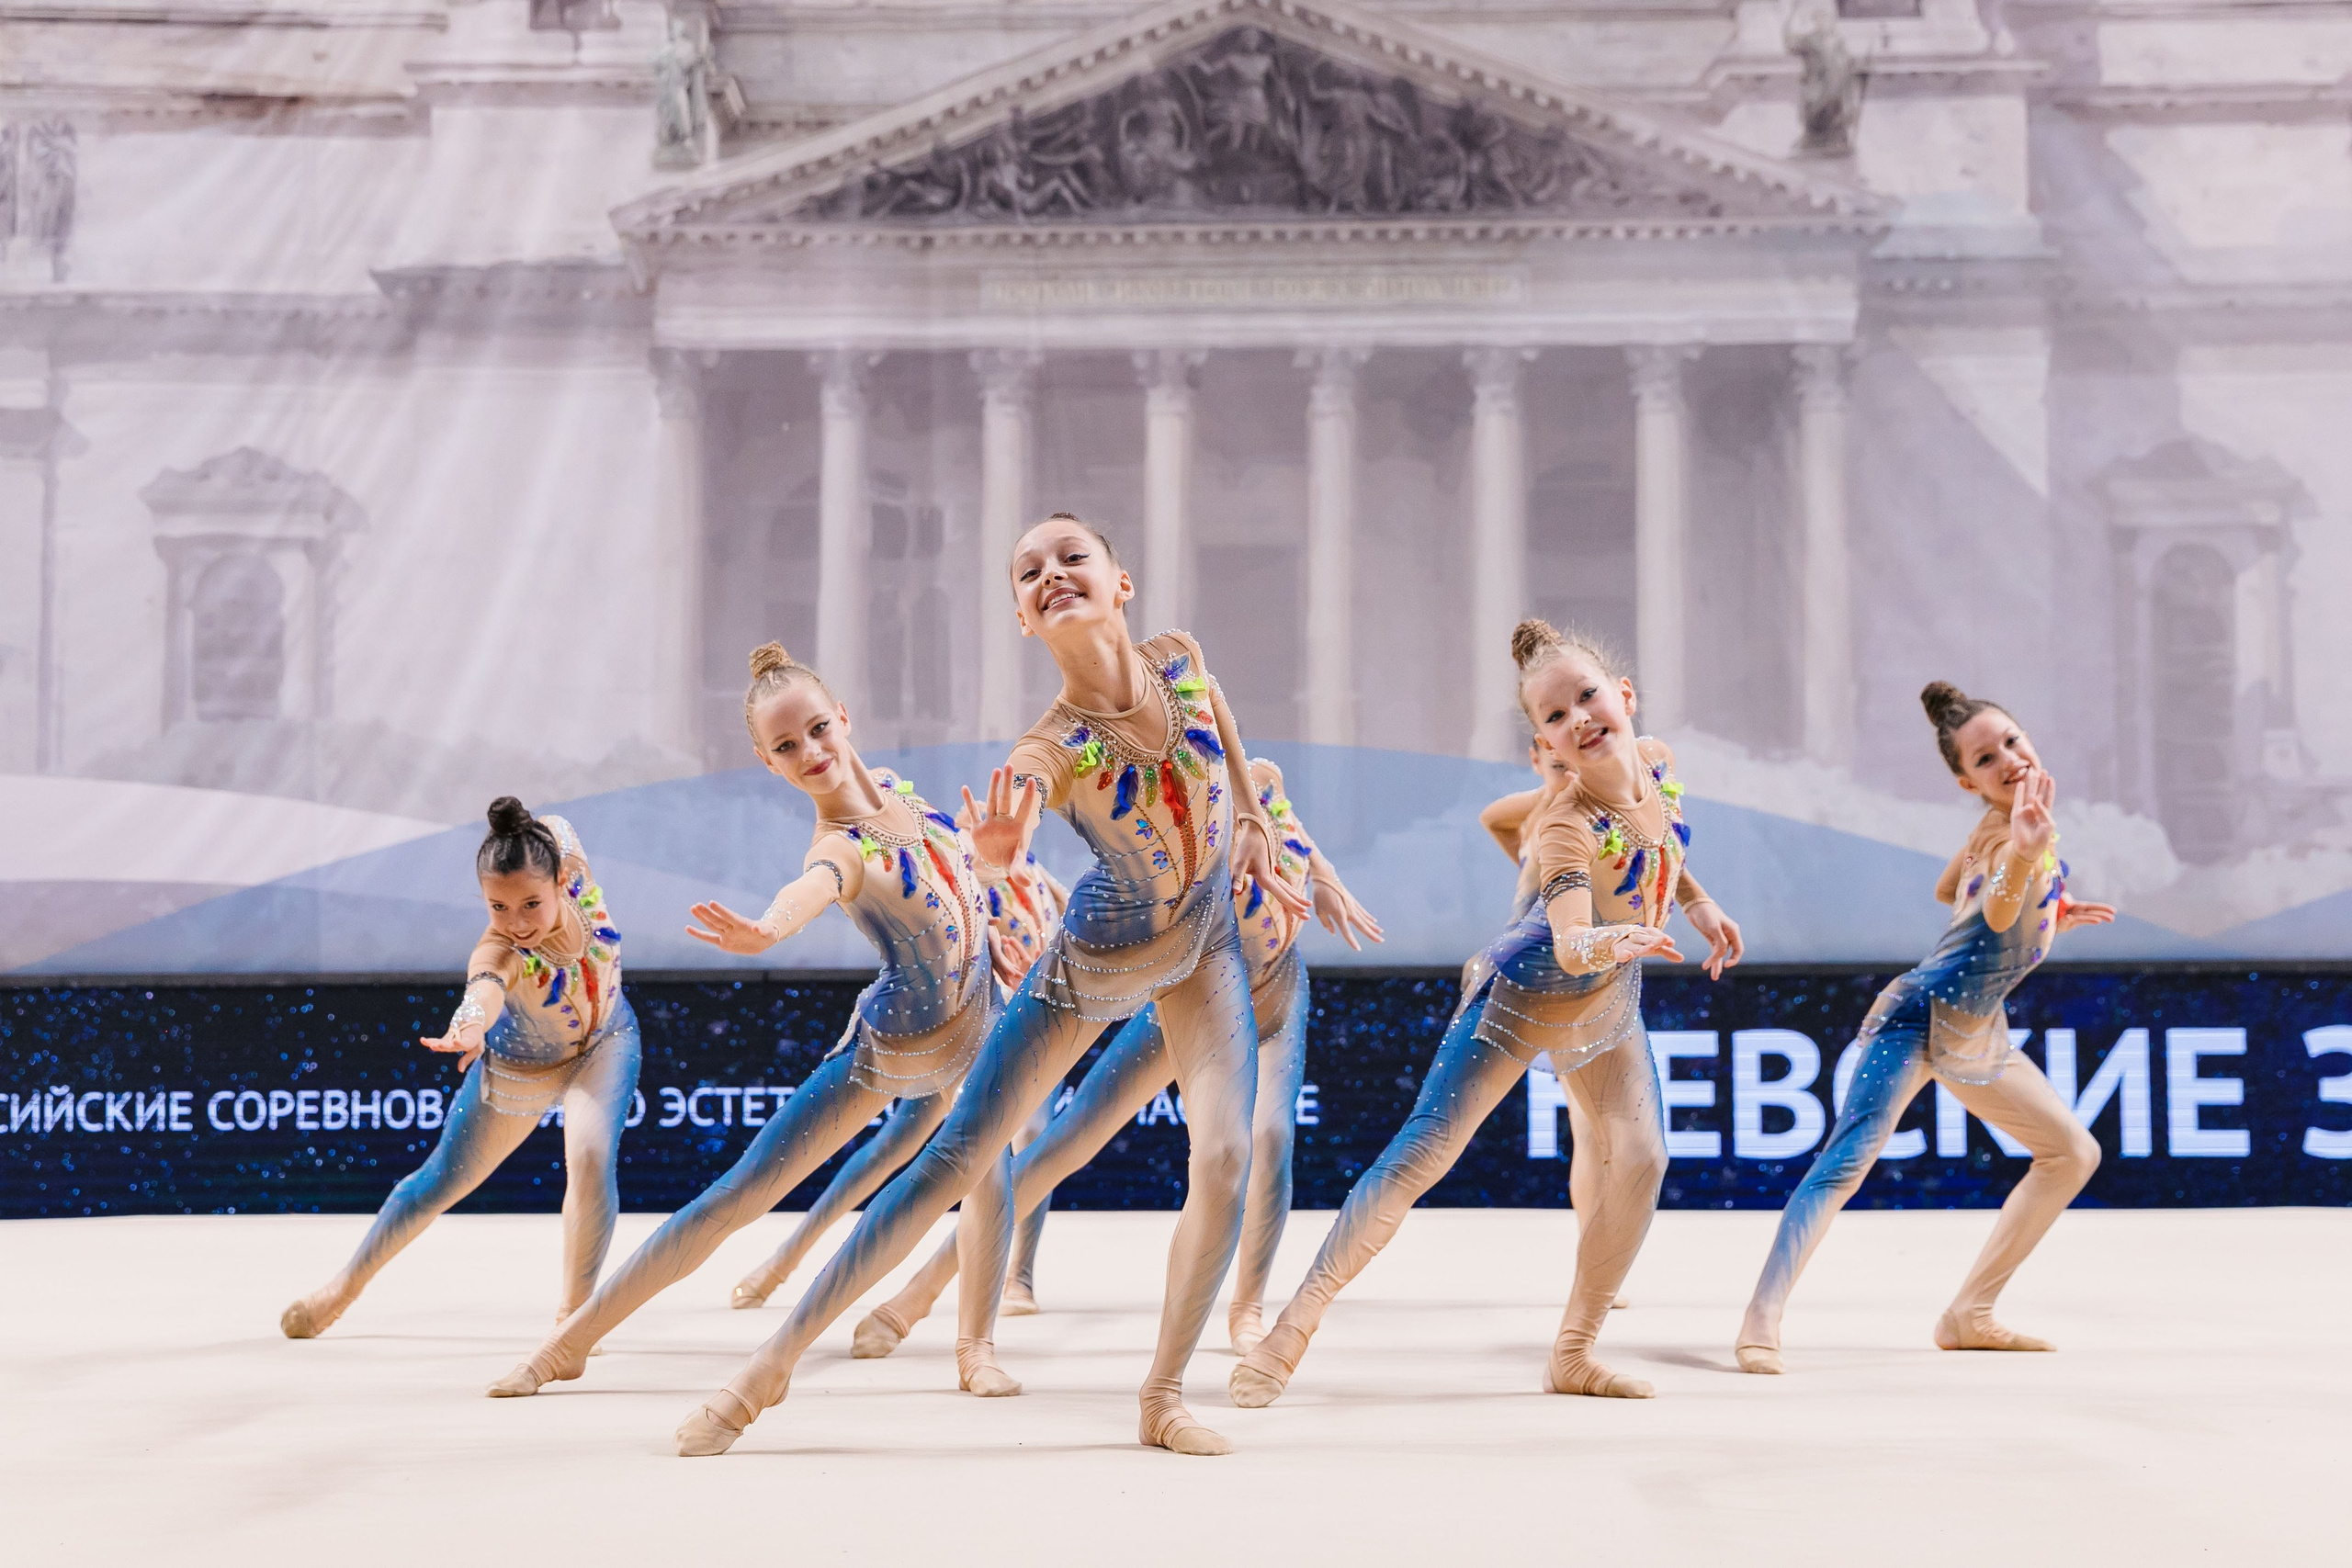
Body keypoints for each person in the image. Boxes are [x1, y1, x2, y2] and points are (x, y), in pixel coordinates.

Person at [673, 512, 1310, 1459]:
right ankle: (765, 1370)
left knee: (1224, 1159)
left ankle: (1162, 1396)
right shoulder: (1049, 745)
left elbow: (1215, 709)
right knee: (955, 1160)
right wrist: (1001, 851)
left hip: (1207, 946)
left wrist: (1252, 817)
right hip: (1091, 962)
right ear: (1023, 617)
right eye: (1028, 572)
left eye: (1071, 556)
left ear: (1120, 583)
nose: (1051, 573)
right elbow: (1025, 800)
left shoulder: (1179, 658)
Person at [484, 642, 1026, 1398]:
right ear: (767, 763)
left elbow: (949, 890)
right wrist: (768, 929)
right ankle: (566, 1343)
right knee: (739, 1196)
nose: (810, 751)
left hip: (978, 1022)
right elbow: (811, 890)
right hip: (895, 1044)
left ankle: (976, 1348)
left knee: (991, 1167)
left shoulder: (901, 793)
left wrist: (991, 873)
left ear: (843, 716)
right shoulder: (839, 847)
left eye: (816, 729)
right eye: (786, 746)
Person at [1227, 619, 1744, 1409]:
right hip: (1526, 994)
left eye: (1588, 697)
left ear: (1625, 695)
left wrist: (1698, 902)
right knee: (1420, 1156)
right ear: (1546, 745)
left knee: (1642, 1157)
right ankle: (1290, 1328)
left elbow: (1661, 838)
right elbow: (1572, 943)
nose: (1579, 718)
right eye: (1556, 717)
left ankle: (1575, 1351)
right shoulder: (1564, 823)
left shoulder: (1656, 765)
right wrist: (1621, 935)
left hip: (1608, 1000)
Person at [844, 754, 1382, 1362]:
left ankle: (1247, 1308)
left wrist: (1326, 877)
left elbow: (1282, 810)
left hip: (1275, 990)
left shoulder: (1252, 777)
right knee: (1066, 1141)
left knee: (1272, 1135)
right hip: (1194, 990)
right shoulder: (1168, 816)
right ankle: (916, 1294)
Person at [1733, 682, 2113, 1373]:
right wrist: (2023, 864)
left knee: (2071, 1153)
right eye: (1986, 758)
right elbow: (1997, 911)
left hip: (1973, 1031)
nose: (2008, 759)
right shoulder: (2012, 835)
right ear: (1968, 781)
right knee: (1845, 1164)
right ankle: (1761, 1317)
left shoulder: (2013, 828)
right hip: (1915, 1019)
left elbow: (1953, 892)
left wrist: (2051, 909)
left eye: (2012, 742)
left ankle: (1970, 1313)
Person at [279, 799, 638, 1340]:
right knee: (439, 1181)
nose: (516, 923)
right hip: (523, 1064)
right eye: (497, 907)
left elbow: (555, 827)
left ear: (562, 880)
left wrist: (521, 830)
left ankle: (574, 1319)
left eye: (530, 904)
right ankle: (343, 1288)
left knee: (590, 1155)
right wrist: (469, 1025)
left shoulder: (570, 859)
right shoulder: (500, 949)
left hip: (608, 1041)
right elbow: (484, 987)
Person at [726, 842, 1069, 1313]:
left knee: (1032, 1133)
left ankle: (1019, 1277)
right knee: (893, 1144)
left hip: (1030, 1027)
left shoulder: (1043, 879)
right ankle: (784, 1259)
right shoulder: (958, 857)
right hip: (969, 1024)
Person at [1471, 738, 1626, 1311]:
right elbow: (1493, 816)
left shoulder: (1579, 811)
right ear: (1537, 756)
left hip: (1583, 973)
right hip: (1546, 978)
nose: (1570, 773)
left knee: (1596, 1132)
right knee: (1590, 1130)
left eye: (1574, 764)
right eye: (1557, 764)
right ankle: (1595, 1269)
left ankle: (1596, 1264)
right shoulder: (1550, 814)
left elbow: (1494, 818)